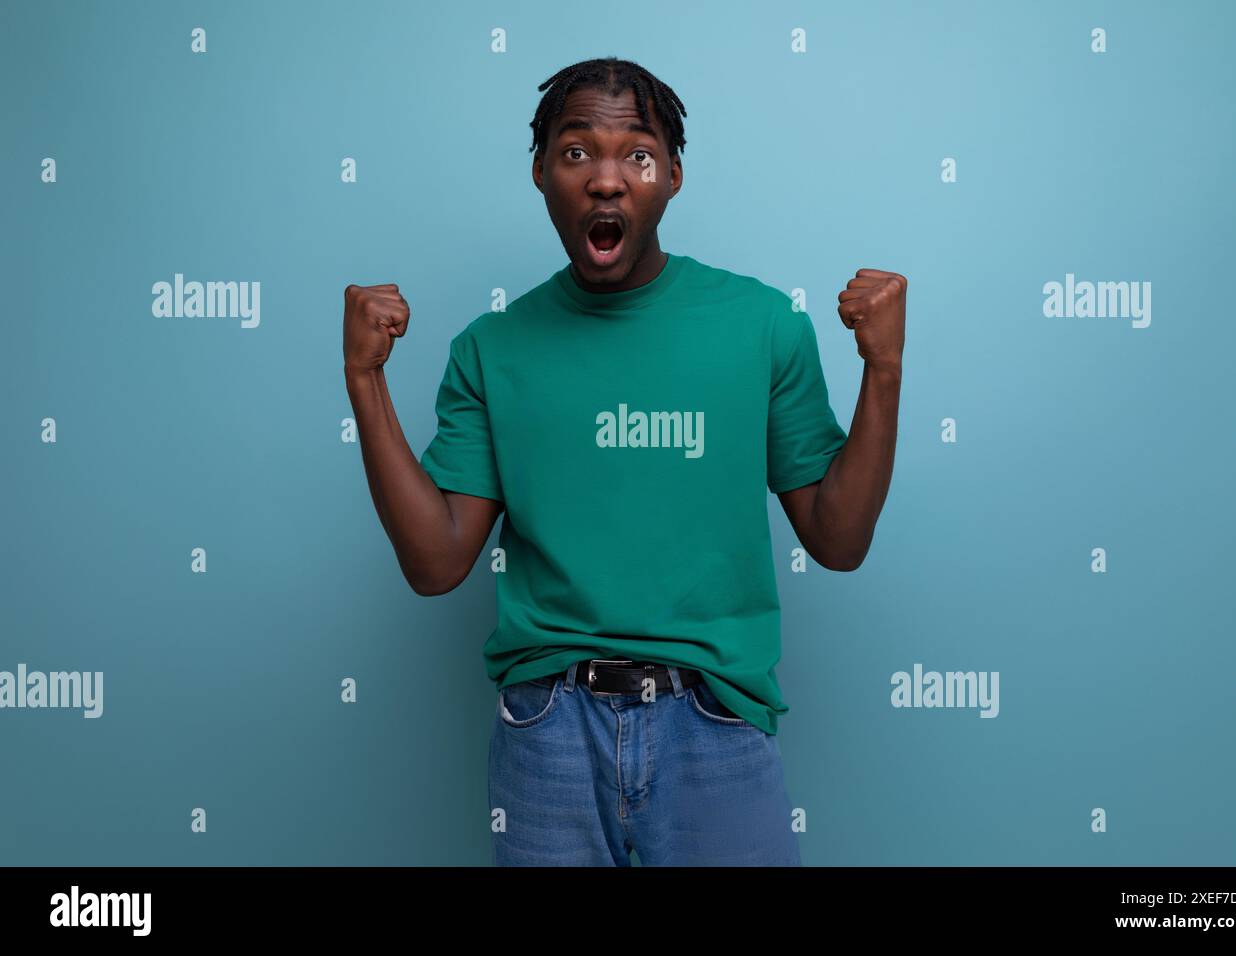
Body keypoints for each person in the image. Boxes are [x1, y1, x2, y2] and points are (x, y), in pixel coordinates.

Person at [342, 56, 906, 866]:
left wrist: (882, 374)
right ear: (540, 172)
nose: (606, 180)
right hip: (548, 735)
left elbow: (838, 540)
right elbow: (435, 563)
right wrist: (365, 381)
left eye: (637, 155)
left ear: (673, 175)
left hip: (716, 721)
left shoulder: (763, 327)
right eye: (576, 152)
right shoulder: (491, 350)